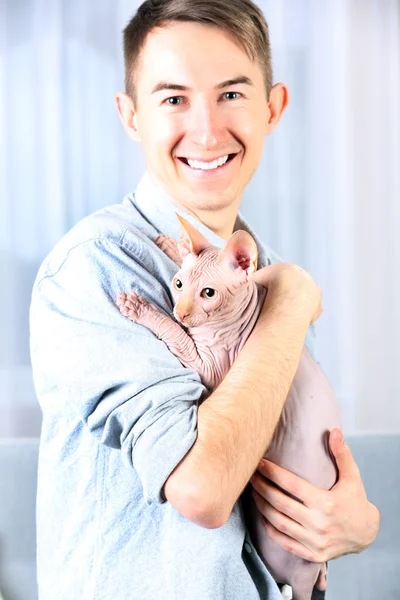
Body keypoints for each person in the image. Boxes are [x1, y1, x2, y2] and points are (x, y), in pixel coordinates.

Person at [29, 1, 380, 599]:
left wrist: (353, 523)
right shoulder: (97, 265)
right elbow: (202, 490)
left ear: (273, 108)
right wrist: (291, 302)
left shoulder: (259, 273)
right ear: (131, 115)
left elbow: (285, 474)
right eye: (173, 99)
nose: (208, 131)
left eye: (231, 94)